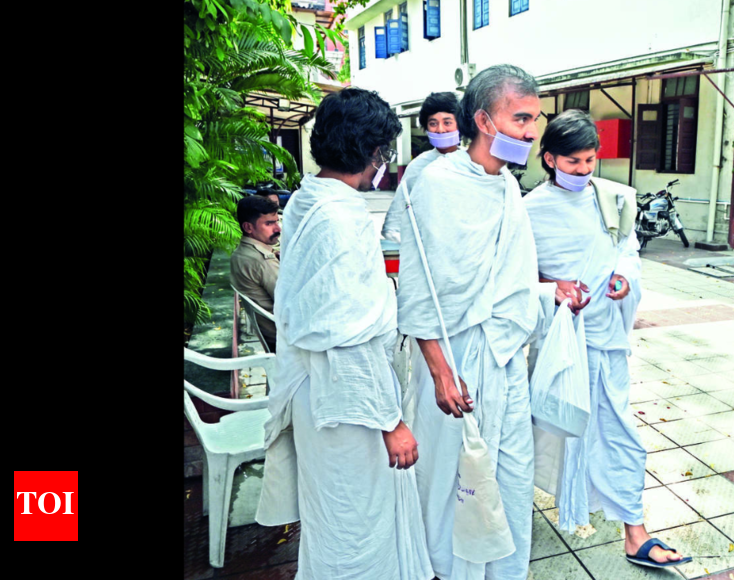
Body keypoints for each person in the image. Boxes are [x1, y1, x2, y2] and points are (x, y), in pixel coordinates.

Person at [397, 64, 584, 580]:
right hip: (455, 363)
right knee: (450, 479)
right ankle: (447, 571)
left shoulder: (505, 187)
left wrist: (551, 294)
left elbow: (509, 282)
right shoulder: (435, 184)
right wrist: (439, 372)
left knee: (509, 478)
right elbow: (416, 288)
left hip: (503, 361)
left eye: (534, 119)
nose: (531, 131)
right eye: (520, 118)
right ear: (482, 119)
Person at [254, 87, 433, 580]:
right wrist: (390, 423)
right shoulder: (336, 218)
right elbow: (346, 338)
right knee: (358, 525)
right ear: (375, 153)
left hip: (325, 397)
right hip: (346, 405)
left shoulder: (310, 199)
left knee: (337, 517)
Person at [523, 109, 692, 569]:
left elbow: (628, 251)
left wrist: (622, 275)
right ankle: (509, 512)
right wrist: (551, 290)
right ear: (550, 158)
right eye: (572, 162)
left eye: (590, 161)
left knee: (618, 429)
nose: (582, 170)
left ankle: (633, 530)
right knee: (537, 427)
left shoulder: (615, 198)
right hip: (561, 341)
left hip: (607, 338)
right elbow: (518, 275)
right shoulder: (528, 210)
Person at [381, 92, 463, 243]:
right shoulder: (418, 166)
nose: (440, 129)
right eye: (433, 123)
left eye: (447, 122)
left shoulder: (475, 163)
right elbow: (393, 225)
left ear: (461, 124)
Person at [230, 194, 281, 352]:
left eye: (277, 221)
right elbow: (292, 301)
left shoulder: (243, 253)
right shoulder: (261, 260)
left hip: (274, 334)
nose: (278, 228)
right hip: (285, 340)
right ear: (248, 228)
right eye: (269, 223)